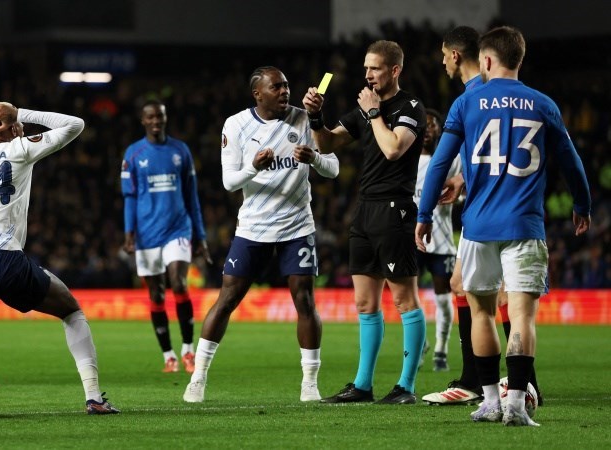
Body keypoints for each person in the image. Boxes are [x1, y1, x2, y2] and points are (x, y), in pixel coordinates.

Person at [416, 26, 591, 426]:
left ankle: (491, 400)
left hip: (478, 226)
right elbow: (571, 161)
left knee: (480, 314)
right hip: (526, 225)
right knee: (523, 316)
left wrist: (424, 215)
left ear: (488, 61)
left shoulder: (467, 103)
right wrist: (582, 204)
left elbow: (440, 164)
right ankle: (516, 404)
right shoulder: (543, 104)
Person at [0, 102, 120, 415]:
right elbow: (74, 124)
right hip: (4, 259)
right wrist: (18, 111)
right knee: (71, 310)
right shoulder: (19, 149)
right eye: (16, 124)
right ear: (13, 127)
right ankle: (94, 397)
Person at [182, 66, 339, 403]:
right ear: (258, 93)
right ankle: (198, 378)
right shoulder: (236, 125)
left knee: (305, 301)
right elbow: (229, 182)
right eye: (276, 87)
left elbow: (334, 168)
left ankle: (309, 383)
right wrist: (253, 166)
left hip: (297, 225)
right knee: (227, 299)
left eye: (286, 86)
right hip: (254, 227)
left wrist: (314, 158)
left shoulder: (304, 119)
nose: (284, 92)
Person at [422, 26, 542, 406]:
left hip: (492, 215)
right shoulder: (492, 93)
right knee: (466, 285)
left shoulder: (477, 96)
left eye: (444, 54)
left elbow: (496, 160)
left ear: (456, 55)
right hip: (499, 209)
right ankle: (487, 378)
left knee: (492, 294)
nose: (441, 61)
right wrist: (464, 180)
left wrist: (430, 204)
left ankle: (500, 382)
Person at [305, 40, 427, 405]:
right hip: (366, 210)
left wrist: (374, 114)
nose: (367, 75)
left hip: (396, 209)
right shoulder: (364, 108)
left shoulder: (411, 108)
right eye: (365, 68)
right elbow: (326, 145)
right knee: (364, 303)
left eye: (374, 68)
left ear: (394, 70)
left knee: (405, 299)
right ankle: (362, 385)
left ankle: (406, 386)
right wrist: (315, 118)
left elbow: (393, 149)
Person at [120, 99, 211, 373]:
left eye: (160, 117)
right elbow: (130, 198)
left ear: (165, 118)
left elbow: (191, 196)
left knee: (179, 282)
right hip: (147, 234)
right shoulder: (133, 154)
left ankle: (187, 350)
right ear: (143, 120)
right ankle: (168, 355)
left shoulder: (180, 151)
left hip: (178, 228)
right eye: (151, 117)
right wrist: (129, 233)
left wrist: (201, 236)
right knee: (157, 294)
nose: (156, 122)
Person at [414, 108, 459, 373]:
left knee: (443, 299)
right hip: (413, 238)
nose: (429, 129)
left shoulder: (450, 162)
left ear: (440, 131)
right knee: (409, 295)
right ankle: (421, 343)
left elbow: (463, 187)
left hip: (442, 241)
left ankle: (441, 349)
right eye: (425, 125)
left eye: (433, 125)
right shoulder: (405, 161)